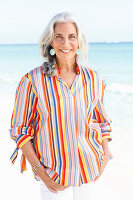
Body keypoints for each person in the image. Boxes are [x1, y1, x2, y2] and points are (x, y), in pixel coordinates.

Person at [9, 12, 112, 200]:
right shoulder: (32, 81)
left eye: (72, 37)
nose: (66, 43)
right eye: (59, 37)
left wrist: (104, 156)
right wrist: (41, 172)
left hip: (89, 170)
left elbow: (101, 121)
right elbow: (19, 131)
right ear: (50, 42)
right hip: (53, 176)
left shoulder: (94, 78)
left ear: (79, 42)